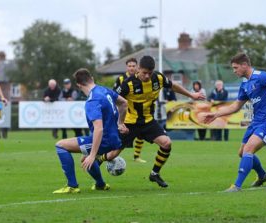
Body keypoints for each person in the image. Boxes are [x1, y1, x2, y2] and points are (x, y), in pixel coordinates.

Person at [198, 53, 266, 192]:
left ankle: (236, 186)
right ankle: (262, 175)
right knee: (242, 152)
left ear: (245, 65)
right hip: (256, 122)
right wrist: (216, 114)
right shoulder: (244, 84)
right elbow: (236, 106)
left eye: (236, 68)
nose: (234, 71)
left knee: (249, 149)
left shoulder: (263, 77)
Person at [115, 55, 206, 187]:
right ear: (138, 69)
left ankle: (154, 173)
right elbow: (113, 99)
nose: (147, 76)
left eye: (149, 73)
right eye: (144, 73)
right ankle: (97, 160)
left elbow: (174, 85)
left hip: (148, 121)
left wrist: (191, 95)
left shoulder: (158, 78)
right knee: (112, 154)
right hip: (130, 122)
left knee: (166, 143)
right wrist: (118, 122)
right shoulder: (127, 84)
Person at [53, 68, 128, 194]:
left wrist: (93, 155)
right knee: (84, 159)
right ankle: (100, 185)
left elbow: (99, 129)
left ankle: (72, 186)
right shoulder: (104, 90)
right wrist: (120, 123)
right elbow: (124, 103)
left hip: (104, 140)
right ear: (92, 78)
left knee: (60, 146)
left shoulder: (92, 100)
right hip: (114, 137)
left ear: (78, 85)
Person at [113, 58, 146, 163]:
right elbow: (114, 94)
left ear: (137, 67)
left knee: (141, 134)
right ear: (126, 67)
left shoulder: (141, 77)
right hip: (125, 112)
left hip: (139, 111)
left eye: (133, 66)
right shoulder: (121, 79)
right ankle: (111, 154)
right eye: (129, 66)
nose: (131, 68)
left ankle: (136, 156)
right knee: (121, 135)